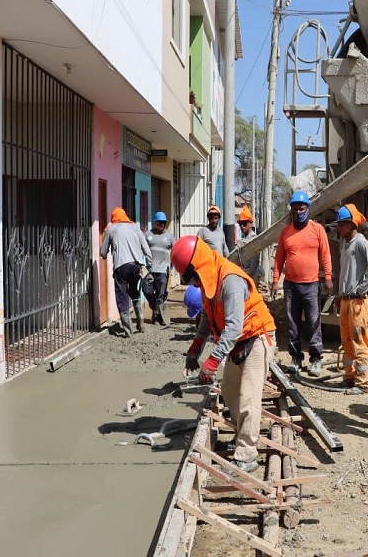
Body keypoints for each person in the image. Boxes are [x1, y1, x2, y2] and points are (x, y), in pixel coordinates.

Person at [171, 235, 276, 473]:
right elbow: (208, 317)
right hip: (237, 343)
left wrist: (213, 360)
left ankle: (246, 455)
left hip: (256, 338)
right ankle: (243, 438)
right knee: (230, 394)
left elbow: (233, 327)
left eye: (193, 277)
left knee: (249, 399)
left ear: (198, 266)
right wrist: (196, 346)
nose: (195, 283)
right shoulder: (211, 280)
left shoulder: (230, 281)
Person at [271, 191, 333, 376]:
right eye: (295, 208)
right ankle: (296, 358)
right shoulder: (286, 232)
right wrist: (275, 280)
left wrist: (328, 277)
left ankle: (315, 359)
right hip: (291, 285)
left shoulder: (317, 229)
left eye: (301, 208)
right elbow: (279, 258)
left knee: (313, 322)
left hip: (311, 284)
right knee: (293, 324)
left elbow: (325, 254)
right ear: (291, 210)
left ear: (308, 209)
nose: (298, 211)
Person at [335, 204, 368, 395]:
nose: (339, 228)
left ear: (352, 224)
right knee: (347, 340)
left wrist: (361, 289)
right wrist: (339, 293)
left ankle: (362, 382)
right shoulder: (345, 244)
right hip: (345, 300)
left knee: (360, 341)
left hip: (357, 302)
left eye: (342, 224)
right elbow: (344, 272)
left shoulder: (361, 243)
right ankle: (349, 377)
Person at [99, 207, 152, 337]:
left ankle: (128, 330)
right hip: (136, 266)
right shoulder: (135, 227)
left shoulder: (111, 229)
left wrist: (105, 251)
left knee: (122, 296)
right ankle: (141, 323)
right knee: (135, 293)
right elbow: (145, 246)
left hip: (120, 267)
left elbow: (103, 252)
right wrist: (149, 263)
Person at [143, 211, 175, 325]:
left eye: (164, 223)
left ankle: (157, 317)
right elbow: (141, 248)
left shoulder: (169, 237)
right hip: (149, 270)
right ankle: (155, 308)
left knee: (160, 295)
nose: (162, 225)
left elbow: (175, 252)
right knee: (146, 290)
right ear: (155, 223)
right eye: (160, 223)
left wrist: (173, 267)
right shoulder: (147, 235)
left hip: (163, 271)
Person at [236, 205, 264, 289]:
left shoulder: (253, 240)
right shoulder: (244, 239)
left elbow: (253, 266)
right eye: (240, 224)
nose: (242, 226)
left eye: (244, 224)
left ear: (250, 224)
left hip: (252, 277)